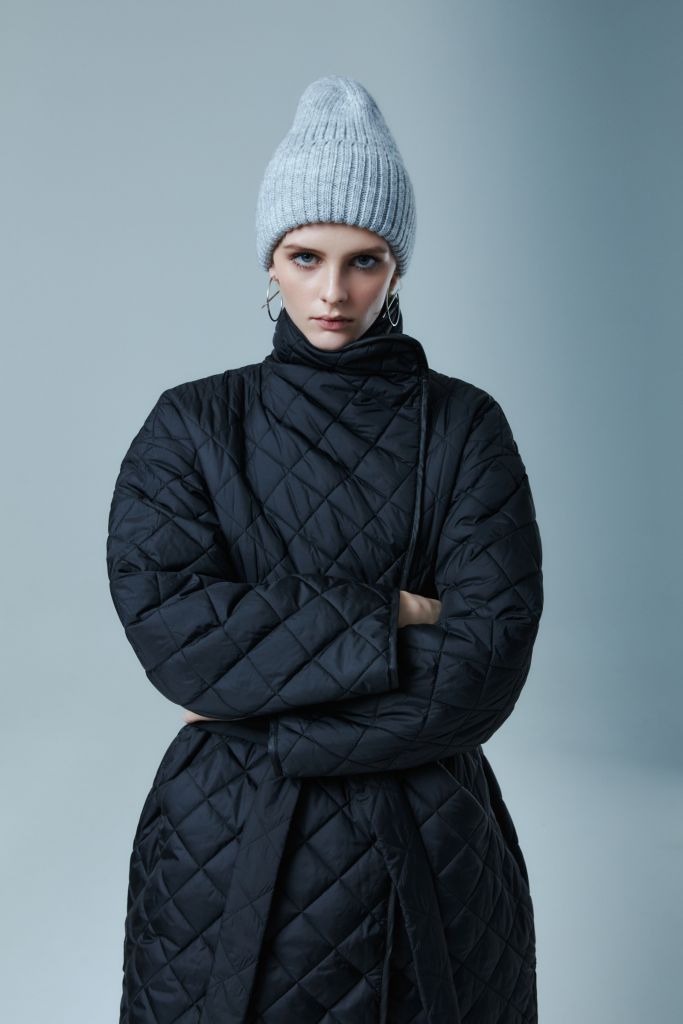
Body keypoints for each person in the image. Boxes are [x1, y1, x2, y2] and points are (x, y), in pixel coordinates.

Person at [107, 75, 544, 1024]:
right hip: (224, 854)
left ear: (397, 268)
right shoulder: (191, 425)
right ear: (270, 259)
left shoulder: (465, 427)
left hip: (429, 852)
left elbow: (487, 658)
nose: (333, 292)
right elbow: (176, 637)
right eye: (305, 256)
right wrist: (390, 614)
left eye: (364, 260)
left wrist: (271, 723)